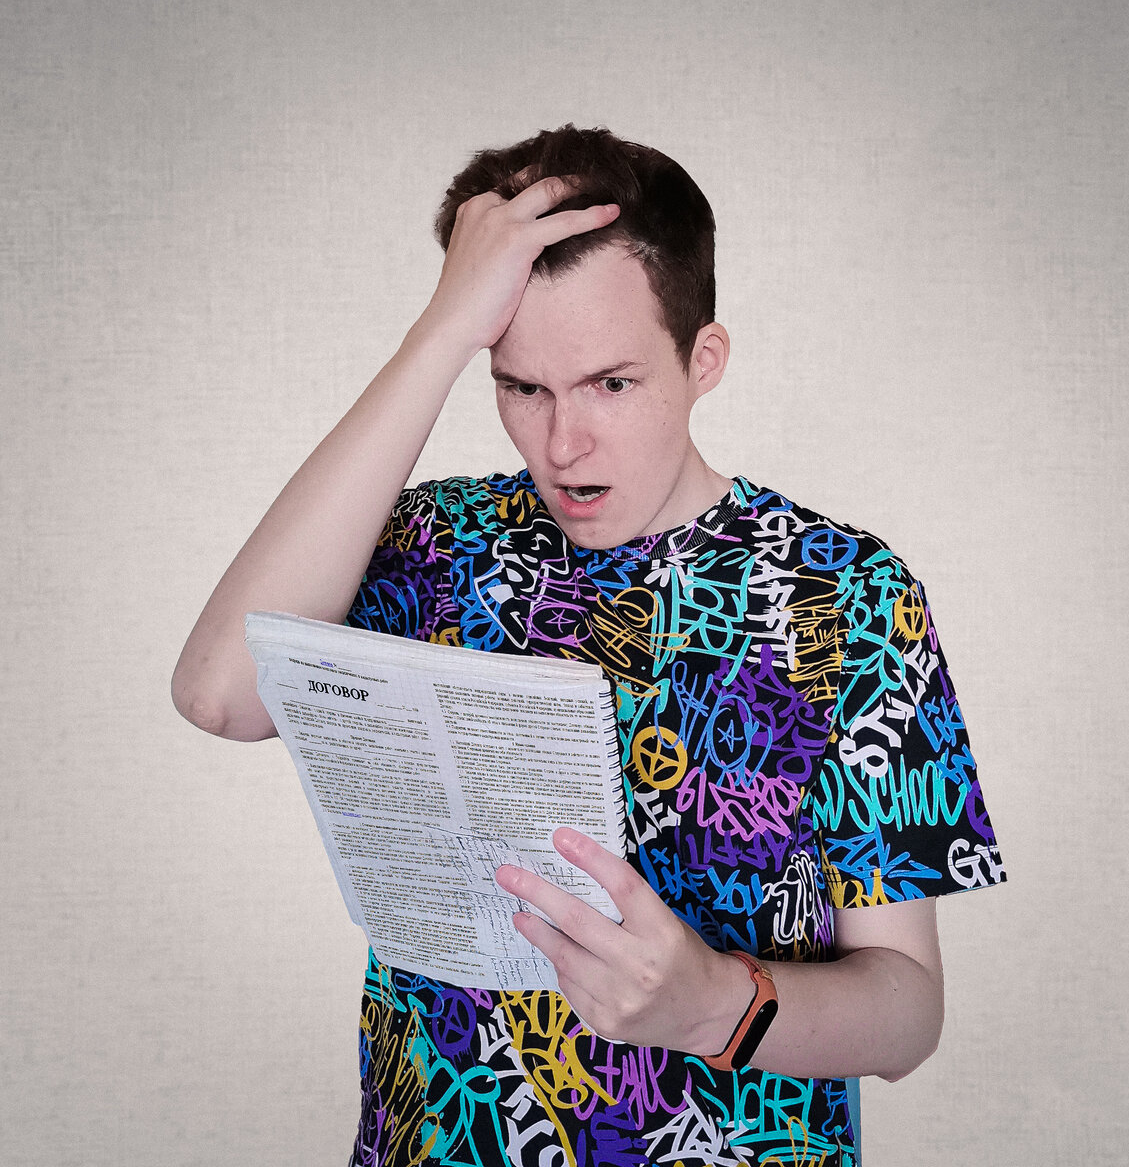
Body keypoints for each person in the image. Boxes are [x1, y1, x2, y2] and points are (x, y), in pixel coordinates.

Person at [173, 124, 1004, 1166]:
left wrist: (714, 1003)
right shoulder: (431, 544)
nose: (564, 445)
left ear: (703, 360)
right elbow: (220, 693)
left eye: (612, 383)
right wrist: (440, 333)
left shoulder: (845, 593)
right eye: (522, 387)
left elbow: (908, 1013)